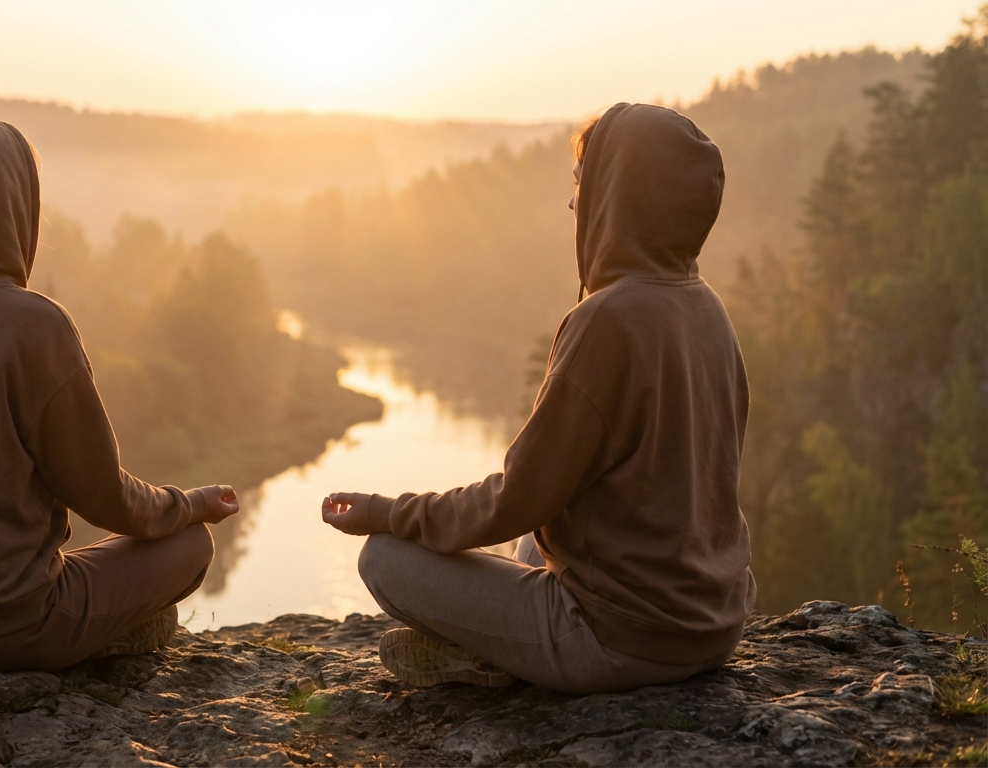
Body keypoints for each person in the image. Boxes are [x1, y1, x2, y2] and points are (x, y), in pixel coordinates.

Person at [320, 102, 754, 694]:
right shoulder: (707, 308)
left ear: (617, 197)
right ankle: (506, 642)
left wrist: (387, 513)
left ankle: (499, 661)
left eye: (582, 184)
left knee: (386, 559)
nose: (573, 204)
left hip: (620, 640)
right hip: (711, 625)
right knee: (536, 540)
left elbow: (517, 496)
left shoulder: (610, 321)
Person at [0, 118, 239, 676]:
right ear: (14, 203)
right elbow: (104, 495)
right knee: (190, 548)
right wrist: (191, 505)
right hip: (7, 629)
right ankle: (100, 640)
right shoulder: (33, 324)